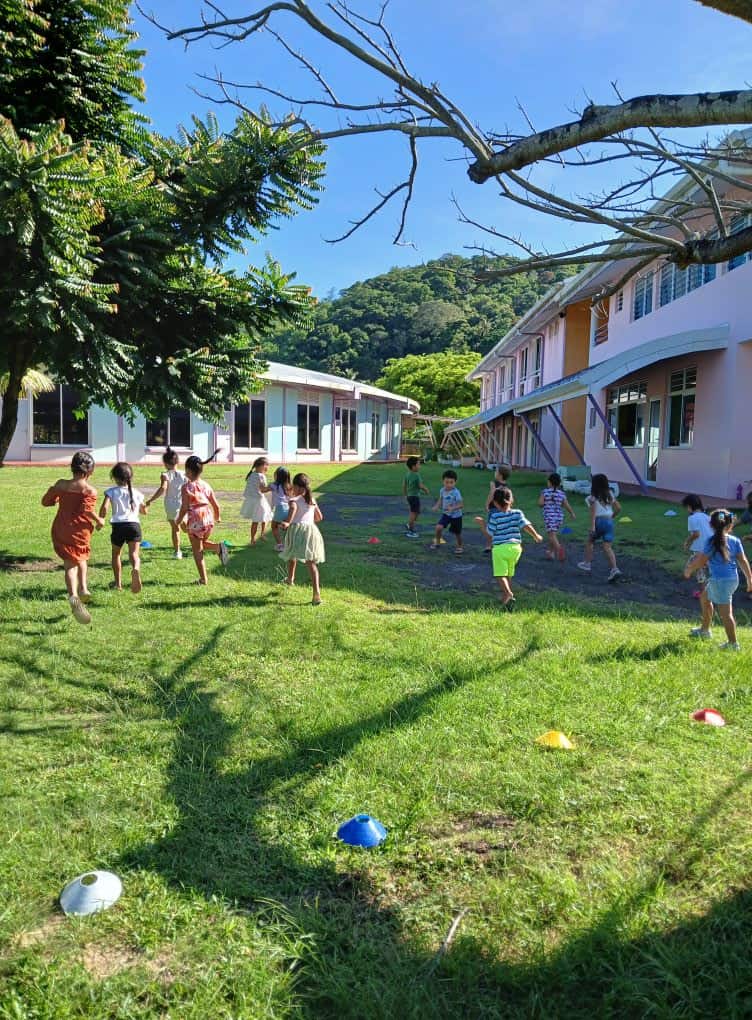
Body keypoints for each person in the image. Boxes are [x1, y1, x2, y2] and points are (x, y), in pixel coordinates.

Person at [41, 451, 105, 624]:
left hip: (62, 528)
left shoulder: (61, 484)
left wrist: (55, 498)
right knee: (82, 558)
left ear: (72, 467)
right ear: (90, 471)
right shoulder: (89, 490)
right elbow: (87, 510)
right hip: (80, 531)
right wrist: (99, 520)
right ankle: (82, 589)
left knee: (70, 564)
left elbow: (46, 501)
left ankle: (74, 595)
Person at [684, 508, 752, 650]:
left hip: (720, 582)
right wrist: (749, 579)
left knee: (726, 614)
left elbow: (701, 561)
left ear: (711, 525)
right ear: (730, 524)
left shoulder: (711, 541)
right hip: (731, 580)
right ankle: (705, 630)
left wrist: (689, 569)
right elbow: (743, 561)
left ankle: (733, 644)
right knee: (705, 598)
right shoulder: (735, 540)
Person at [474, 485, 542, 609]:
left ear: (495, 503)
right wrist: (536, 535)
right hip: (516, 549)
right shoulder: (517, 513)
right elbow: (526, 525)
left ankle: (509, 593)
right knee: (508, 574)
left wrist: (482, 524)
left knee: (500, 575)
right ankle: (506, 597)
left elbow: (489, 534)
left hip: (500, 549)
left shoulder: (495, 517)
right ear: (511, 499)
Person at [174, 454, 229, 585]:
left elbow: (184, 507)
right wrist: (217, 516)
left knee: (197, 550)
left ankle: (203, 579)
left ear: (188, 470)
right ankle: (218, 547)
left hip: (196, 519)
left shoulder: (186, 487)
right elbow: (216, 505)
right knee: (201, 543)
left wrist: (178, 520)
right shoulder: (206, 485)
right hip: (208, 518)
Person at [99, 462, 148, 593]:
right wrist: (144, 507)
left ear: (114, 477)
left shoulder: (111, 492)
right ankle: (136, 568)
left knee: (116, 554)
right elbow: (144, 511)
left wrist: (100, 519)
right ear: (130, 477)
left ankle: (118, 584)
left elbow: (104, 508)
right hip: (134, 525)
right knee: (134, 554)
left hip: (118, 526)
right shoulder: (136, 493)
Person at [279, 472, 325, 604]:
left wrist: (288, 522)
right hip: (311, 531)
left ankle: (290, 579)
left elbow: (293, 510)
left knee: (292, 554)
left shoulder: (294, 500)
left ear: (296, 487)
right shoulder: (312, 500)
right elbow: (319, 517)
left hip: (297, 531)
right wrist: (307, 521)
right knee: (311, 563)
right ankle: (316, 594)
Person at [577, 473, 622, 582]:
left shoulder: (591, 498)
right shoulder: (610, 495)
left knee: (590, 541)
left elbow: (593, 513)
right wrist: (611, 517)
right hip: (609, 522)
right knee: (607, 547)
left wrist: (592, 527)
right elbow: (618, 508)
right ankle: (614, 569)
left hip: (598, 522)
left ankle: (587, 563)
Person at [144, 447, 187, 558]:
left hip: (171, 505)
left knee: (175, 529)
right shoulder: (185, 474)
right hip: (184, 504)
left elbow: (163, 488)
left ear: (165, 463)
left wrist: (151, 500)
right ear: (177, 461)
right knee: (185, 528)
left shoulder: (165, 475)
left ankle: (177, 552)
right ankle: (199, 543)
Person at [538, 472, 576, 562]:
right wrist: (572, 513)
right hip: (559, 517)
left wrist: (544, 502)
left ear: (549, 482)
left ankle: (559, 549)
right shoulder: (561, 494)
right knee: (553, 534)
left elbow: (540, 503)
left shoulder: (545, 492)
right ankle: (551, 553)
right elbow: (566, 505)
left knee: (551, 535)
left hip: (549, 517)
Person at [681, 493, 712, 595]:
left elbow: (696, 534)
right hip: (711, 548)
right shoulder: (707, 517)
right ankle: (708, 591)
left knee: (696, 569)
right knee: (706, 569)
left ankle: (704, 593)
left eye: (686, 507)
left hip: (700, 550)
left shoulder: (692, 518)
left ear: (689, 506)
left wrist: (687, 541)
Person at [240, 456, 272, 544]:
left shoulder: (251, 474)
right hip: (259, 500)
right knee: (266, 516)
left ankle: (253, 539)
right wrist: (271, 488)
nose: (267, 468)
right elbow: (263, 489)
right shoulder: (261, 476)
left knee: (256, 520)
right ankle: (262, 534)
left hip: (251, 500)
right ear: (261, 466)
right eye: (266, 465)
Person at [431, 469, 464, 554]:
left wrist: (453, 508)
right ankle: (437, 542)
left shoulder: (456, 492)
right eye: (446, 482)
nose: (449, 484)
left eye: (451, 482)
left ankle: (460, 546)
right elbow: (441, 499)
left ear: (455, 482)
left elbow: (461, 505)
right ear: (443, 481)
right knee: (438, 527)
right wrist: (437, 506)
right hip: (446, 514)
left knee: (457, 533)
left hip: (456, 516)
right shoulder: (442, 490)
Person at [483, 465, 511, 553]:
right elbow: (509, 497)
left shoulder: (493, 483)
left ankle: (488, 545)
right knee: (501, 527)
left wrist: (487, 504)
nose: (495, 473)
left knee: (490, 527)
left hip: (493, 509)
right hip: (503, 509)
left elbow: (492, 493)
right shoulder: (506, 485)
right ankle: (499, 544)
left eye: (496, 472)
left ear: (500, 475)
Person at [402, 456, 430, 537]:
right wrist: (426, 489)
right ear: (413, 466)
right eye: (418, 464)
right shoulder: (416, 475)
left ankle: (410, 524)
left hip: (410, 497)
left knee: (417, 512)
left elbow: (404, 486)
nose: (419, 466)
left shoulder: (407, 474)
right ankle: (410, 531)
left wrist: (405, 495)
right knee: (413, 513)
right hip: (414, 497)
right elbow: (420, 485)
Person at [269, 466, 293, 552]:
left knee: (274, 526)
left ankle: (280, 545)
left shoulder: (274, 485)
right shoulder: (289, 486)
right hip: (289, 509)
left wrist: (260, 485)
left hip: (280, 508)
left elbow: (263, 490)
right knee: (287, 527)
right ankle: (289, 545)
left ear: (277, 476)